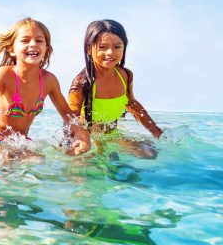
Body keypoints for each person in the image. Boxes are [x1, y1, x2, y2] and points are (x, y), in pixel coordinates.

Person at [0, 18, 90, 160]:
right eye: (25, 40)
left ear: (46, 48)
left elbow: (66, 113)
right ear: (11, 49)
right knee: (6, 162)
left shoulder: (49, 80)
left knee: (39, 162)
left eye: (39, 41)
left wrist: (82, 134)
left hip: (21, 142)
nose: (33, 44)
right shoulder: (5, 74)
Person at [67, 19, 163, 159]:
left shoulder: (125, 75)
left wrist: (155, 131)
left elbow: (132, 104)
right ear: (89, 49)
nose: (110, 53)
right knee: (85, 171)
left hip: (111, 135)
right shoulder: (82, 84)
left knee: (150, 153)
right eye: (103, 47)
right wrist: (75, 145)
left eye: (117, 47)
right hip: (87, 139)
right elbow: (70, 119)